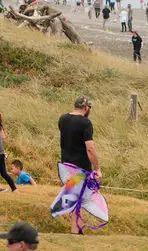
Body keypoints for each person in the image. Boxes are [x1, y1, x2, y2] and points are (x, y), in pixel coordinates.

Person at [58, 96, 99, 234]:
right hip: (80, 167)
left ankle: (78, 229)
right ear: (86, 108)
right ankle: (75, 231)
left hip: (65, 166)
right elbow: (90, 148)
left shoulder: (63, 119)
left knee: (76, 197)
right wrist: (97, 169)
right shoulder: (85, 123)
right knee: (80, 199)